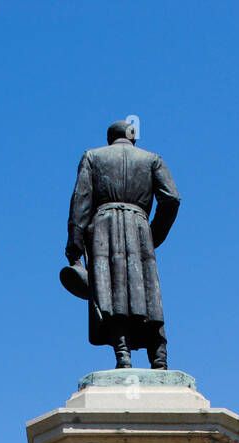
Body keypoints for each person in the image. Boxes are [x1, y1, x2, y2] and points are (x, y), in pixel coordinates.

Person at [65, 119, 180, 369]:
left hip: (103, 229)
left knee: (112, 291)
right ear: (132, 137)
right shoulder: (151, 159)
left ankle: (123, 354)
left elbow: (81, 201)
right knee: (147, 292)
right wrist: (153, 233)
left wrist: (74, 245)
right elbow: (171, 199)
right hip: (139, 228)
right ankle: (159, 359)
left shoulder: (92, 157)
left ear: (110, 138)